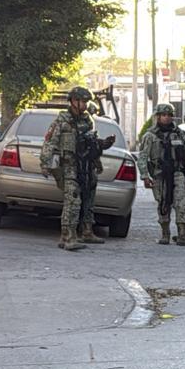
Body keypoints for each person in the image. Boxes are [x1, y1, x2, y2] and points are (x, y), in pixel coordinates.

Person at [40, 87, 115, 250]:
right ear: (74, 101)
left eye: (87, 102)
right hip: (69, 165)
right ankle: (67, 237)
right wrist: (46, 164)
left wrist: (101, 148)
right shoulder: (62, 121)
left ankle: (87, 231)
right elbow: (50, 143)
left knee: (89, 198)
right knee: (72, 200)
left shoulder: (88, 120)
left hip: (86, 165)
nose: (86, 105)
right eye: (83, 101)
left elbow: (90, 142)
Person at [136, 103, 185, 246]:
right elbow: (143, 157)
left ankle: (182, 235)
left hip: (178, 173)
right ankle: (165, 235)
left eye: (170, 115)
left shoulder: (179, 133)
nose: (167, 118)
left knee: (181, 203)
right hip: (160, 175)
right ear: (158, 117)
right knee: (163, 203)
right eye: (164, 115)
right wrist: (145, 176)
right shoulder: (150, 136)